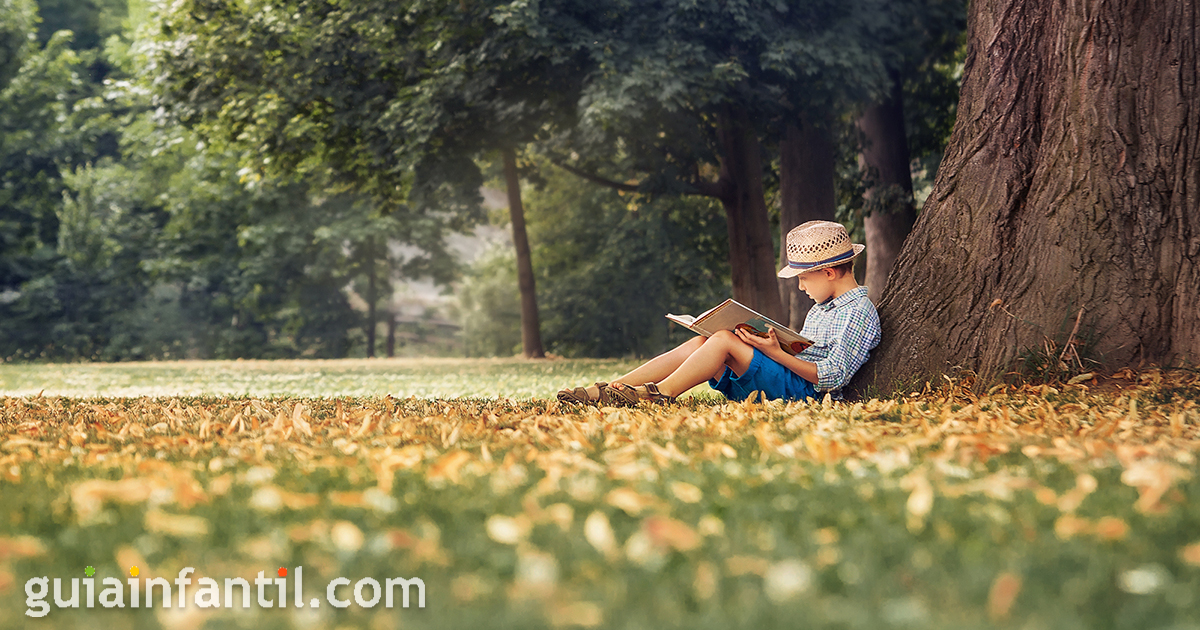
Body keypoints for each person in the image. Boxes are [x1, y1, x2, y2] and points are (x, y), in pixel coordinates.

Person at [556, 221, 881, 406]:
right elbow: (807, 352)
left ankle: (660, 395)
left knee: (724, 339)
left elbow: (832, 377)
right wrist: (772, 345)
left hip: (806, 393)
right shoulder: (823, 309)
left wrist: (773, 353)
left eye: (803, 278)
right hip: (789, 377)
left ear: (828, 272)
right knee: (703, 341)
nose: (800, 287)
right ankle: (613, 389)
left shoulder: (859, 313)